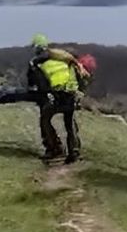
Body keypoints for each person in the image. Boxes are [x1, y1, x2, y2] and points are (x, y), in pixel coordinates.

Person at [27, 34, 96, 164]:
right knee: (69, 122)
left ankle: (55, 149)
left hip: (58, 96)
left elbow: (41, 86)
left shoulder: (38, 65)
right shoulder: (65, 61)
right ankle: (74, 151)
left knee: (45, 119)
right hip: (71, 94)